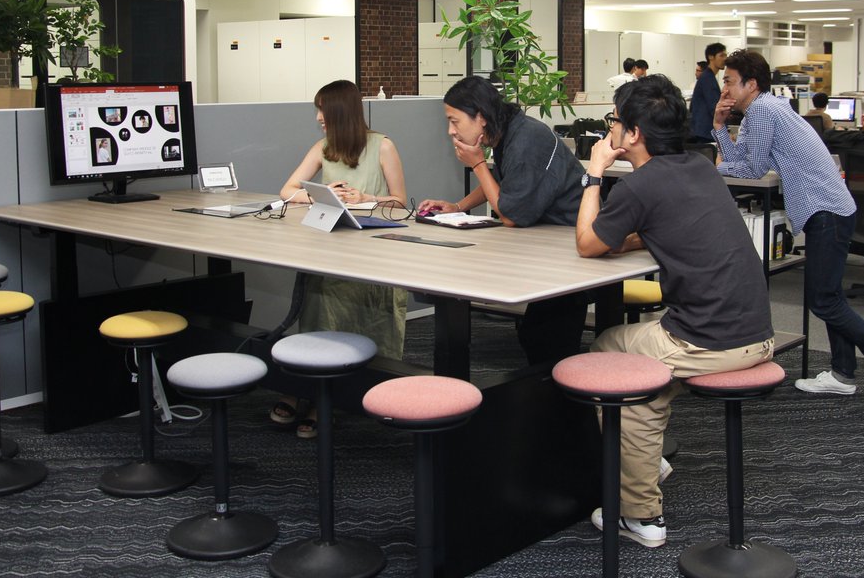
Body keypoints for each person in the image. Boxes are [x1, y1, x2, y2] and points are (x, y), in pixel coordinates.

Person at [577, 74, 774, 548]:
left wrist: (594, 173)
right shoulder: (701, 167)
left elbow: (586, 243)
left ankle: (640, 515)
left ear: (633, 134)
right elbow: (663, 226)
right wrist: (629, 237)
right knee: (647, 375)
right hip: (759, 330)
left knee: (608, 351)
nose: (611, 130)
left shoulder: (638, 186)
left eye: (614, 122)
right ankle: (643, 464)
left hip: (709, 341)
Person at [712, 49, 864, 396]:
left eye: (729, 81)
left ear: (751, 84)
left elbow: (751, 169)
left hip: (826, 211)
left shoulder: (762, 111)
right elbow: (743, 160)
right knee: (830, 296)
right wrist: (719, 127)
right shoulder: (764, 109)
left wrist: (712, 167)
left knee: (824, 300)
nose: (724, 89)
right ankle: (843, 375)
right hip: (831, 209)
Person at [270, 79, 409, 435]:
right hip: (331, 249)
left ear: (340, 112)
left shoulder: (383, 146)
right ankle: (308, 387)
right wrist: (321, 195)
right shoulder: (323, 148)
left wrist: (365, 197)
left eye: (323, 110)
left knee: (356, 318)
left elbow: (399, 201)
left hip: (371, 253)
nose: (318, 118)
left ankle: (328, 399)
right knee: (320, 312)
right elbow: (286, 191)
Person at [418, 76, 589, 365]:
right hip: (547, 238)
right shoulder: (508, 131)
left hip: (568, 242)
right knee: (537, 335)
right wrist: (458, 206)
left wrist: (477, 163)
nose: (451, 131)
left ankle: (560, 387)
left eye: (454, 121)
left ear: (481, 117)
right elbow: (500, 180)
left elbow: (511, 215)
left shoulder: (527, 139)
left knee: (545, 337)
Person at [688, 42, 727, 143]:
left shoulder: (708, 77)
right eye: (721, 55)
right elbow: (714, 107)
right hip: (705, 133)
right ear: (711, 57)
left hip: (701, 130)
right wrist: (724, 131)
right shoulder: (708, 78)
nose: (725, 59)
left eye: (725, 55)